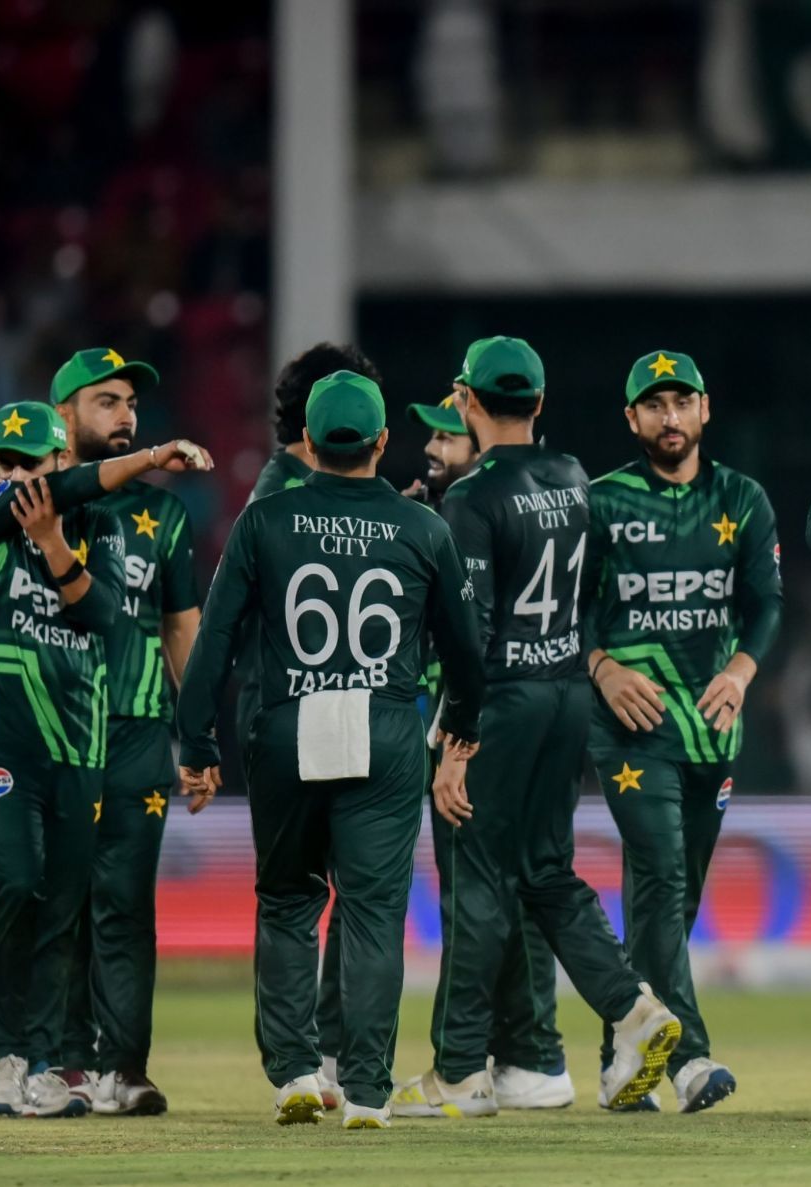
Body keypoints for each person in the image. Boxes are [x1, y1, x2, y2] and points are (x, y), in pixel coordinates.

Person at [174, 371, 484, 1129]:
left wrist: (196, 739)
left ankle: (295, 1076)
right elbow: (467, 656)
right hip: (384, 726)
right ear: (383, 442)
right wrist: (461, 729)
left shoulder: (265, 520)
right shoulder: (425, 528)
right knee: (375, 913)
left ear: (307, 442)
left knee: (287, 902)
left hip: (288, 723)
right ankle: (370, 1092)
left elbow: (214, 640)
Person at [393, 336, 682, 1119]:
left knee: (477, 878)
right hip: (565, 695)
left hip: (505, 703)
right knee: (548, 872)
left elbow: (471, 634)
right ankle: (634, 1009)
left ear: (465, 399)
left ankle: (458, 1073)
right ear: (541, 403)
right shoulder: (572, 476)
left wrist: (456, 745)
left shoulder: (472, 495)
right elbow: (587, 594)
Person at [0, 399, 212, 1117]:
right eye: (2, 464)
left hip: (77, 744)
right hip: (2, 736)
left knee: (63, 904)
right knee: (17, 882)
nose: (11, 477)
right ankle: (3, 1052)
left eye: (27, 464)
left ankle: (41, 1064)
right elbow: (50, 499)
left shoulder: (99, 529)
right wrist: (150, 456)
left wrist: (53, 547)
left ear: (60, 458)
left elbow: (102, 614)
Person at [583, 350, 783, 1113]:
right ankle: (690, 1060)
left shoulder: (744, 498)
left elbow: (766, 603)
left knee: (673, 897)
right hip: (633, 728)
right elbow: (563, 613)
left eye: (681, 400)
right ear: (631, 419)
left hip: (711, 731)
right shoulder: (600, 503)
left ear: (705, 410)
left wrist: (739, 672)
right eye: (653, 403)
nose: (669, 415)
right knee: (663, 879)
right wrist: (600, 666)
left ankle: (619, 1057)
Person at [393, 390, 576, 1113]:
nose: (434, 449)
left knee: (488, 892)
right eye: (429, 437)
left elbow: (475, 640)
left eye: (449, 437)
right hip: (479, 723)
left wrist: (456, 741)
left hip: (476, 729)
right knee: (500, 890)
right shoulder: (447, 517)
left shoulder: (479, 512)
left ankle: (502, 1058)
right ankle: (522, 1055)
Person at [46, 349, 201, 1117]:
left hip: (138, 732)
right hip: (49, 732)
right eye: (106, 401)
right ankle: (64, 1061)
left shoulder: (164, 515)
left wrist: (198, 736)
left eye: (132, 403)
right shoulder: (31, 501)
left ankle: (125, 1066)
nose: (127, 415)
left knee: (124, 904)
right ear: (65, 412)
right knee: (56, 900)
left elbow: (181, 629)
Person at [244, 342, 382, 1111]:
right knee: (320, 891)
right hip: (316, 709)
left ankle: (307, 1059)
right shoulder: (300, 496)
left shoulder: (279, 493)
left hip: (292, 710)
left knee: (304, 892)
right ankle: (313, 1056)